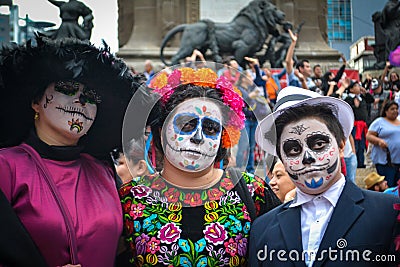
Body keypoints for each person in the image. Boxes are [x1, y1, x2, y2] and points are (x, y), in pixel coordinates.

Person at [119, 65, 281, 266]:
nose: (197, 137)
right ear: (161, 131)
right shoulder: (130, 198)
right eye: (186, 124)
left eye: (210, 128)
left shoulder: (253, 192)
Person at [0, 35, 141, 266]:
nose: (80, 101)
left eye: (90, 97)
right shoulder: (6, 166)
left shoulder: (103, 171)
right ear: (36, 101)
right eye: (67, 89)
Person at [249, 86, 399, 266]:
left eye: (319, 144)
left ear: (341, 145)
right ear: (283, 159)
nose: (307, 157)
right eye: (293, 150)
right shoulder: (262, 229)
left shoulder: (388, 213)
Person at [366, 101, 400, 188]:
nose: (395, 111)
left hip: (398, 160)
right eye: (392, 109)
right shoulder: (379, 122)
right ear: (386, 111)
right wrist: (379, 141)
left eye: (396, 109)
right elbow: (369, 136)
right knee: (388, 184)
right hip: (385, 161)